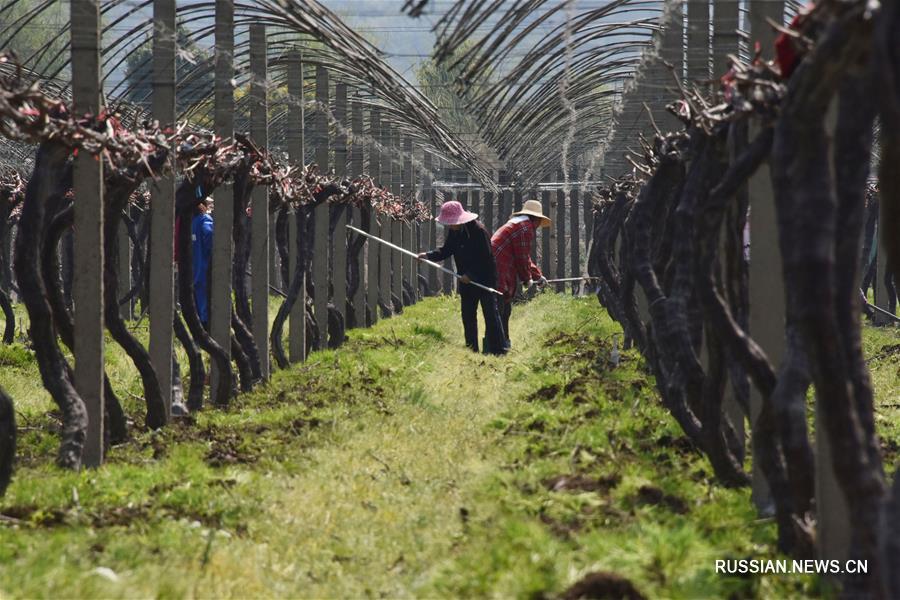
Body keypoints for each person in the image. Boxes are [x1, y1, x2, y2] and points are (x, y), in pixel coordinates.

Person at [417, 200, 506, 355]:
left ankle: (499, 350)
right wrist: (428, 255)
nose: (450, 226)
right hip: (466, 281)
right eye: (449, 223)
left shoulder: (479, 231)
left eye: (452, 223)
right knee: (468, 315)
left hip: (485, 279)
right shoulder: (454, 232)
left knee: (491, 315)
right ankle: (471, 350)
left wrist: (471, 275)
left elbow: (485, 258)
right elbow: (446, 251)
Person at [491, 199, 550, 350]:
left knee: (504, 308)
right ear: (535, 219)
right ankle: (498, 345)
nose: (537, 227)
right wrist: (527, 279)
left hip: (496, 265)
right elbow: (521, 258)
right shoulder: (525, 228)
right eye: (539, 222)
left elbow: (524, 256)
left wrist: (537, 275)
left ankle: (502, 342)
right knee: (500, 308)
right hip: (498, 267)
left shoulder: (518, 224)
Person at [191, 197, 214, 328]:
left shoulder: (193, 222)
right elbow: (210, 236)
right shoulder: (205, 220)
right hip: (206, 266)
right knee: (207, 297)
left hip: (196, 268)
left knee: (199, 298)